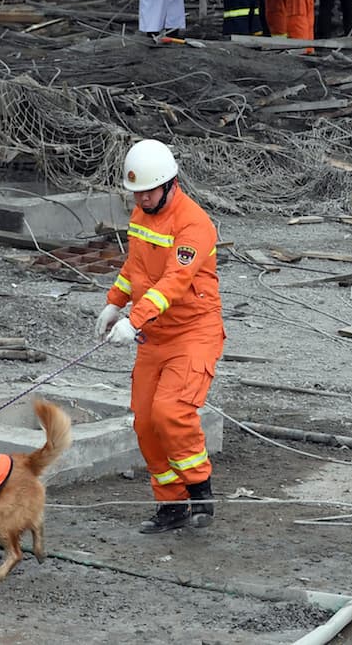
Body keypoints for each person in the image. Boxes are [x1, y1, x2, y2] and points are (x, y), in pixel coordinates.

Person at [94, 139, 224, 534]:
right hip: (156, 332)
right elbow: (136, 265)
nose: (143, 199)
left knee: (172, 412)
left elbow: (174, 281)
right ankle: (170, 505)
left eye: (149, 191)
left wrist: (135, 319)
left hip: (193, 332)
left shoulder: (194, 224)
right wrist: (115, 302)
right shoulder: (141, 214)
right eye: (137, 193)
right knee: (146, 422)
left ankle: (200, 490)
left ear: (169, 183)